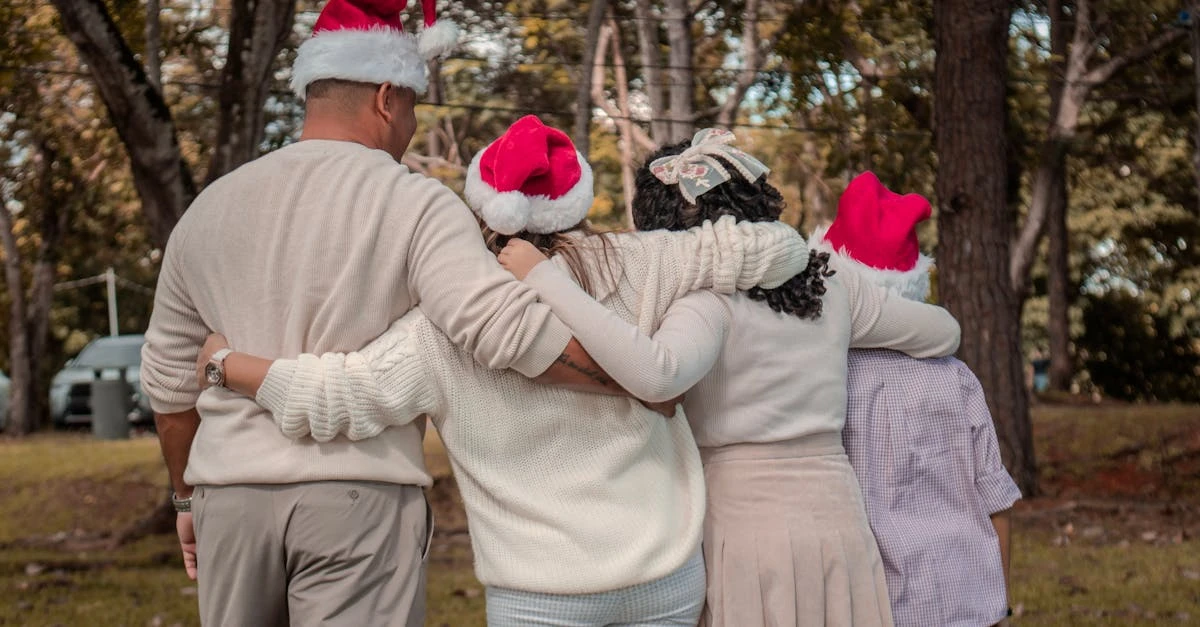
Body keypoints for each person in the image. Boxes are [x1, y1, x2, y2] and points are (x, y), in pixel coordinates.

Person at [193, 116, 812, 626]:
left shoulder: (447, 323)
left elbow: (336, 398)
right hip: (666, 575)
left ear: (483, 209)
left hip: (538, 594)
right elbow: (783, 248)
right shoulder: (651, 263)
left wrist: (226, 364)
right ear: (576, 199)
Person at [138, 1, 636, 623]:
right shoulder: (416, 203)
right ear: (385, 97)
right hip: (357, 501)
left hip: (227, 500)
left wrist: (186, 501)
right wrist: (633, 376)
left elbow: (168, 381)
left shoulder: (208, 209)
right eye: (412, 105)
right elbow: (504, 331)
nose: (411, 123)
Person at [496, 130, 965, 626]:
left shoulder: (707, 303)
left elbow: (656, 374)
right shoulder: (833, 284)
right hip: (838, 517)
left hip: (744, 524)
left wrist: (546, 278)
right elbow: (943, 332)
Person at [811, 172, 1022, 627]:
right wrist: (999, 605)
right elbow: (997, 500)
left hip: (876, 604)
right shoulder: (957, 378)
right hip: (969, 597)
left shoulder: (824, 377)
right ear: (914, 284)